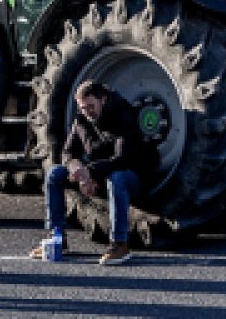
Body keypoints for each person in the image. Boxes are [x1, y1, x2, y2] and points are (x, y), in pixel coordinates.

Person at [30, 79, 159, 266]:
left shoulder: (125, 116)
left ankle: (119, 244)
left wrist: (89, 172)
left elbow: (122, 158)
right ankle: (56, 237)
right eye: (83, 107)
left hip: (132, 177)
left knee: (117, 178)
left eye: (91, 106)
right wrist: (77, 170)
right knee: (54, 174)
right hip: (95, 175)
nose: (87, 111)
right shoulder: (82, 119)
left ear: (103, 100)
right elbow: (67, 152)